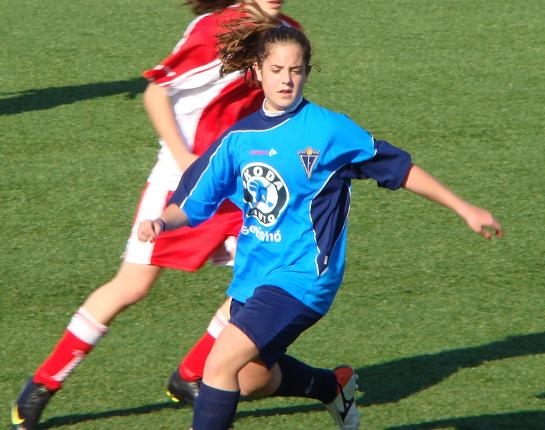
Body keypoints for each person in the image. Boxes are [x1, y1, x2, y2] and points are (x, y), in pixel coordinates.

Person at [137, 23, 503, 430]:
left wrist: (463, 207)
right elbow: (193, 200)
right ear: (257, 72)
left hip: (305, 275)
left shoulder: (328, 130)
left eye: (295, 70)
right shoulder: (238, 139)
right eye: (276, 70)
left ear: (306, 73)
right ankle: (331, 387)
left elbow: (399, 169)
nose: (286, 80)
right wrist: (161, 221)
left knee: (218, 364)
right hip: (254, 277)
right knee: (251, 379)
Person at [11, 1, 300, 429]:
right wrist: (186, 161)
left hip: (235, 184)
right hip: (179, 184)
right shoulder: (215, 30)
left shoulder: (287, 32)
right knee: (132, 285)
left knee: (266, 274)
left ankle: (190, 374)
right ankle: (41, 385)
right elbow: (155, 92)